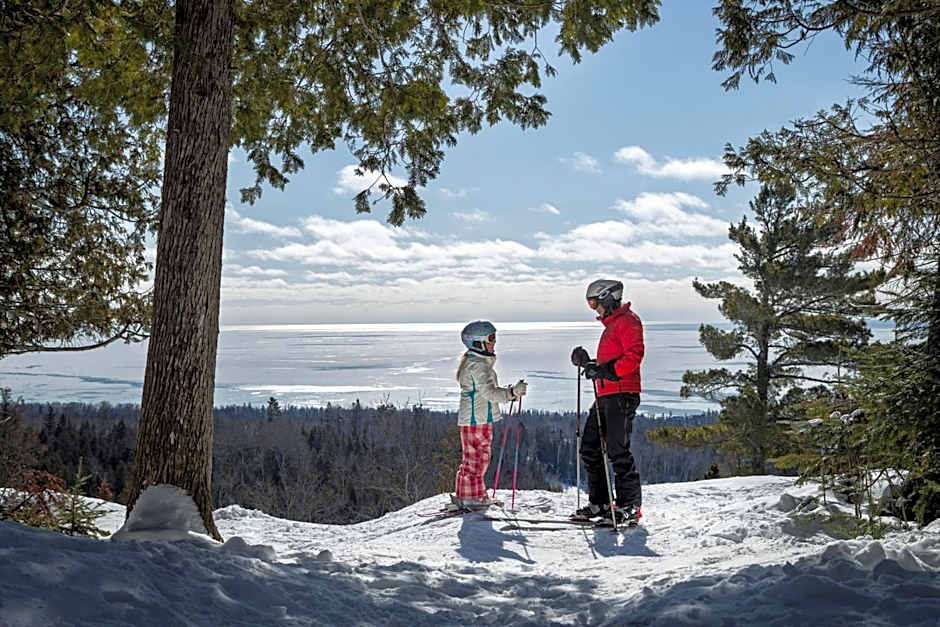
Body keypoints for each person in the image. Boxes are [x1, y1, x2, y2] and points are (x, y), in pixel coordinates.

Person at [570, 279, 645, 526]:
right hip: (606, 395)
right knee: (590, 447)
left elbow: (634, 356)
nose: (594, 309)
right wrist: (589, 364)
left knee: (617, 450)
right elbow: (611, 364)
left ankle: (629, 506)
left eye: (595, 303)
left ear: (608, 299)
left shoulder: (628, 321)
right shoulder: (613, 325)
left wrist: (605, 372)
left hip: (622, 395)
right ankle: (601, 502)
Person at [452, 320, 527, 510]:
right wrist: (512, 393)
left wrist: (509, 393)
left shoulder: (475, 362)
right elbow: (489, 393)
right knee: (478, 458)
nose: (494, 342)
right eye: (491, 338)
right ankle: (472, 498)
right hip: (478, 418)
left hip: (474, 417)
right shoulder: (478, 366)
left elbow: (485, 392)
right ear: (477, 342)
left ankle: (469, 495)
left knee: (473, 457)